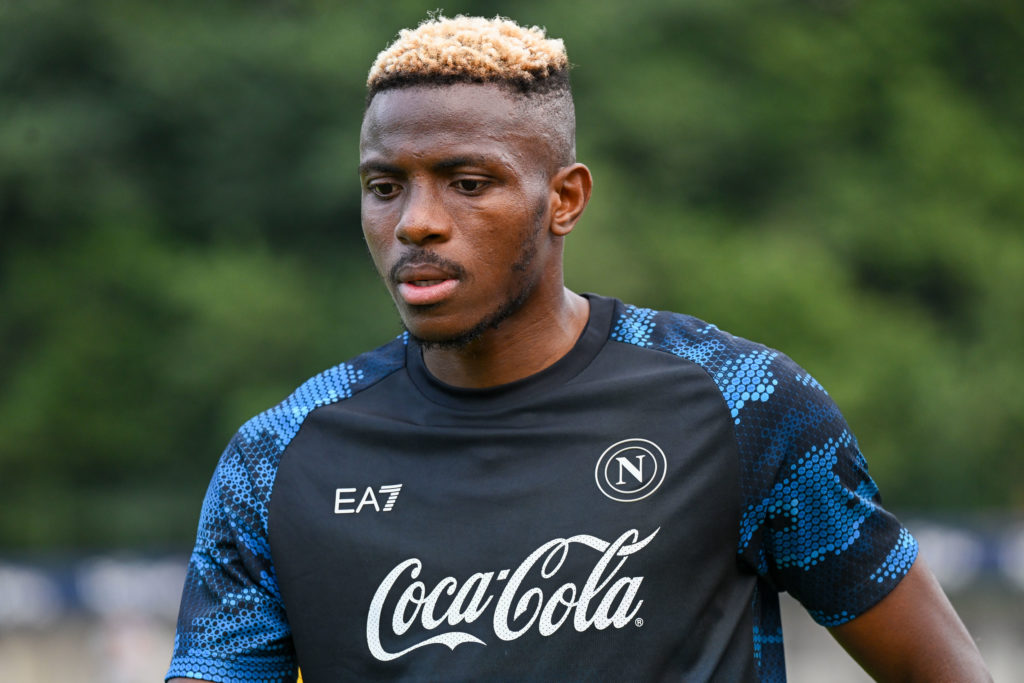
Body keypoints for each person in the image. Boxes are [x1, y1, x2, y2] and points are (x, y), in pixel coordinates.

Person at [167, 15, 991, 683]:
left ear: (564, 199)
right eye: (385, 186)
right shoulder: (279, 460)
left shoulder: (741, 405)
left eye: (467, 181)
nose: (415, 220)